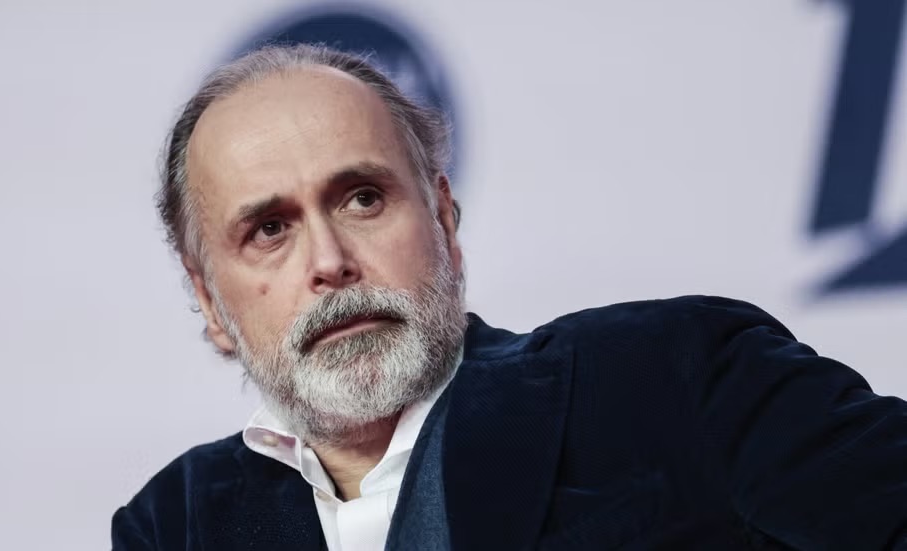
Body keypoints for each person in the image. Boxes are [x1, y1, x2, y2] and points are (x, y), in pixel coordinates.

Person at [111, 44, 907, 550]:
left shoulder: (670, 377)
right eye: (270, 229)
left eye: (362, 198)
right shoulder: (177, 523)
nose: (329, 261)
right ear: (209, 302)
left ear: (444, 218)